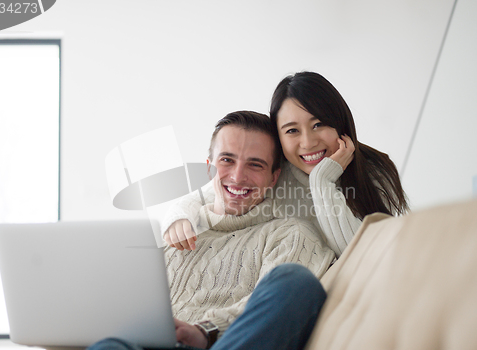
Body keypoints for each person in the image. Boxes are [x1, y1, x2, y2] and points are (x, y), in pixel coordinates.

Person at [75, 111, 334, 350]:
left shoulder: (290, 235)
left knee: (296, 281)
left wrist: (206, 331)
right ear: (209, 167)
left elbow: (283, 304)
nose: (238, 176)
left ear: (273, 178)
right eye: (227, 160)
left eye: (255, 165)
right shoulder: (171, 234)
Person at [163, 72, 409, 257]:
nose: (308, 142)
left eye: (318, 125)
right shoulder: (272, 171)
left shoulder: (374, 172)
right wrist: (178, 219)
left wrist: (322, 181)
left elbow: (359, 258)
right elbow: (204, 194)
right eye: (292, 130)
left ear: (340, 123)